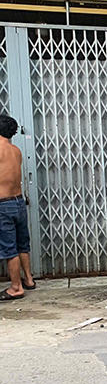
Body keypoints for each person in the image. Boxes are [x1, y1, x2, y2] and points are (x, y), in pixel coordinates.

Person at [0, 114, 35, 300]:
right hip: (18, 202)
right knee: (23, 244)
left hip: (3, 205)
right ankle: (28, 280)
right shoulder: (16, 151)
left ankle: (16, 288)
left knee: (9, 248)